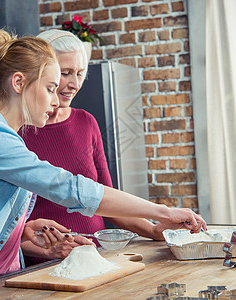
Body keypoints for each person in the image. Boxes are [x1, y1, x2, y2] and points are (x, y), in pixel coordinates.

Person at [0, 28, 207, 297]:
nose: (56, 101)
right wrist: (163, 212)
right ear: (19, 83)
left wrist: (23, 233)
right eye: (49, 88)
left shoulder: (9, 140)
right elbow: (70, 187)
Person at [20, 29, 187, 266]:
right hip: (45, 262)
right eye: (65, 73)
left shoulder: (86, 122)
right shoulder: (17, 132)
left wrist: (153, 230)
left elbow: (106, 200)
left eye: (79, 73)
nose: (74, 83)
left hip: (95, 256)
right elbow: (8, 225)